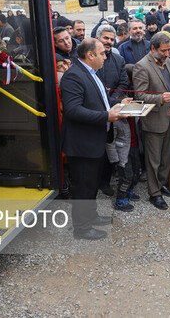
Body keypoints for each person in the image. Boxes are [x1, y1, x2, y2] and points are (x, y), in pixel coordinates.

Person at [60, 38, 129, 240]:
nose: (106, 57)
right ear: (90, 55)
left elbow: (99, 99)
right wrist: (106, 116)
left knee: (91, 183)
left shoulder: (90, 73)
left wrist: (118, 102)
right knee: (82, 186)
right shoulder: (73, 76)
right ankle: (81, 228)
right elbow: (73, 110)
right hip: (82, 143)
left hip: (94, 140)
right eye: (103, 54)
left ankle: (91, 216)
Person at [133, 33, 170, 210]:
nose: (168, 53)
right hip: (153, 121)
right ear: (153, 49)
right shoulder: (142, 66)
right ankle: (154, 193)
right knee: (153, 160)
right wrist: (160, 99)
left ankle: (162, 184)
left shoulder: (168, 62)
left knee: (166, 157)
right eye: (164, 50)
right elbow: (139, 95)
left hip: (169, 118)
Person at [97, 26, 130, 197]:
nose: (109, 42)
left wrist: (112, 99)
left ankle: (107, 181)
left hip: (114, 108)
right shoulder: (90, 58)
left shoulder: (118, 60)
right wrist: (103, 97)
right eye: (105, 38)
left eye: (111, 39)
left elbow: (123, 83)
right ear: (97, 38)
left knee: (111, 145)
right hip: (94, 109)